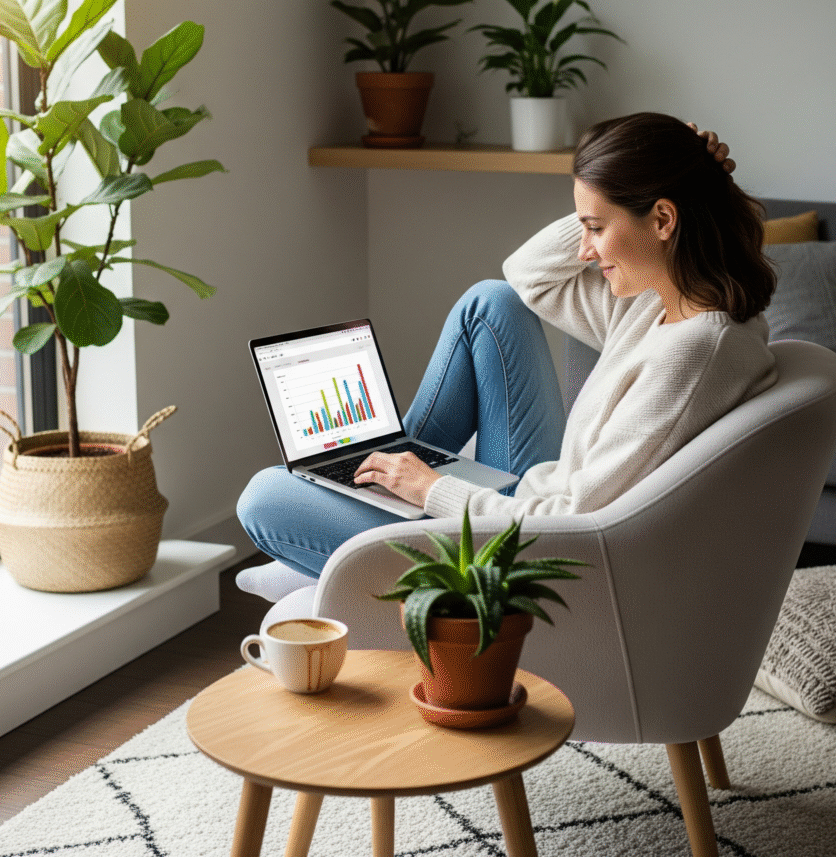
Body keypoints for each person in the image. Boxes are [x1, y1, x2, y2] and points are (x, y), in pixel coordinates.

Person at [236, 112, 777, 601]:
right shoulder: (667, 302)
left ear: (663, 220)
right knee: (489, 301)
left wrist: (431, 489)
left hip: (520, 555)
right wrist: (669, 184)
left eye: (594, 227)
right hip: (533, 497)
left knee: (262, 498)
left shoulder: (691, 356)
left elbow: (572, 524)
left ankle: (337, 545)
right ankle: (376, 496)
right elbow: (527, 273)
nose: (585, 250)